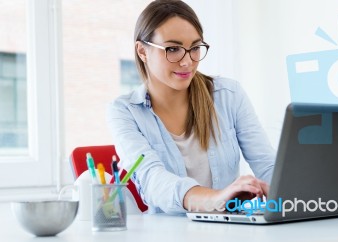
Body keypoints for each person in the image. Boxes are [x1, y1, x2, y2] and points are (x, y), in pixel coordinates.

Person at [107, 0, 275, 214]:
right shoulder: (124, 111)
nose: (187, 61)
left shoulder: (229, 95)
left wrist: (295, 196)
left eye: (195, 48)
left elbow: (267, 165)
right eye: (173, 49)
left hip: (231, 230)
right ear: (142, 51)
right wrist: (215, 199)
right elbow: (152, 180)